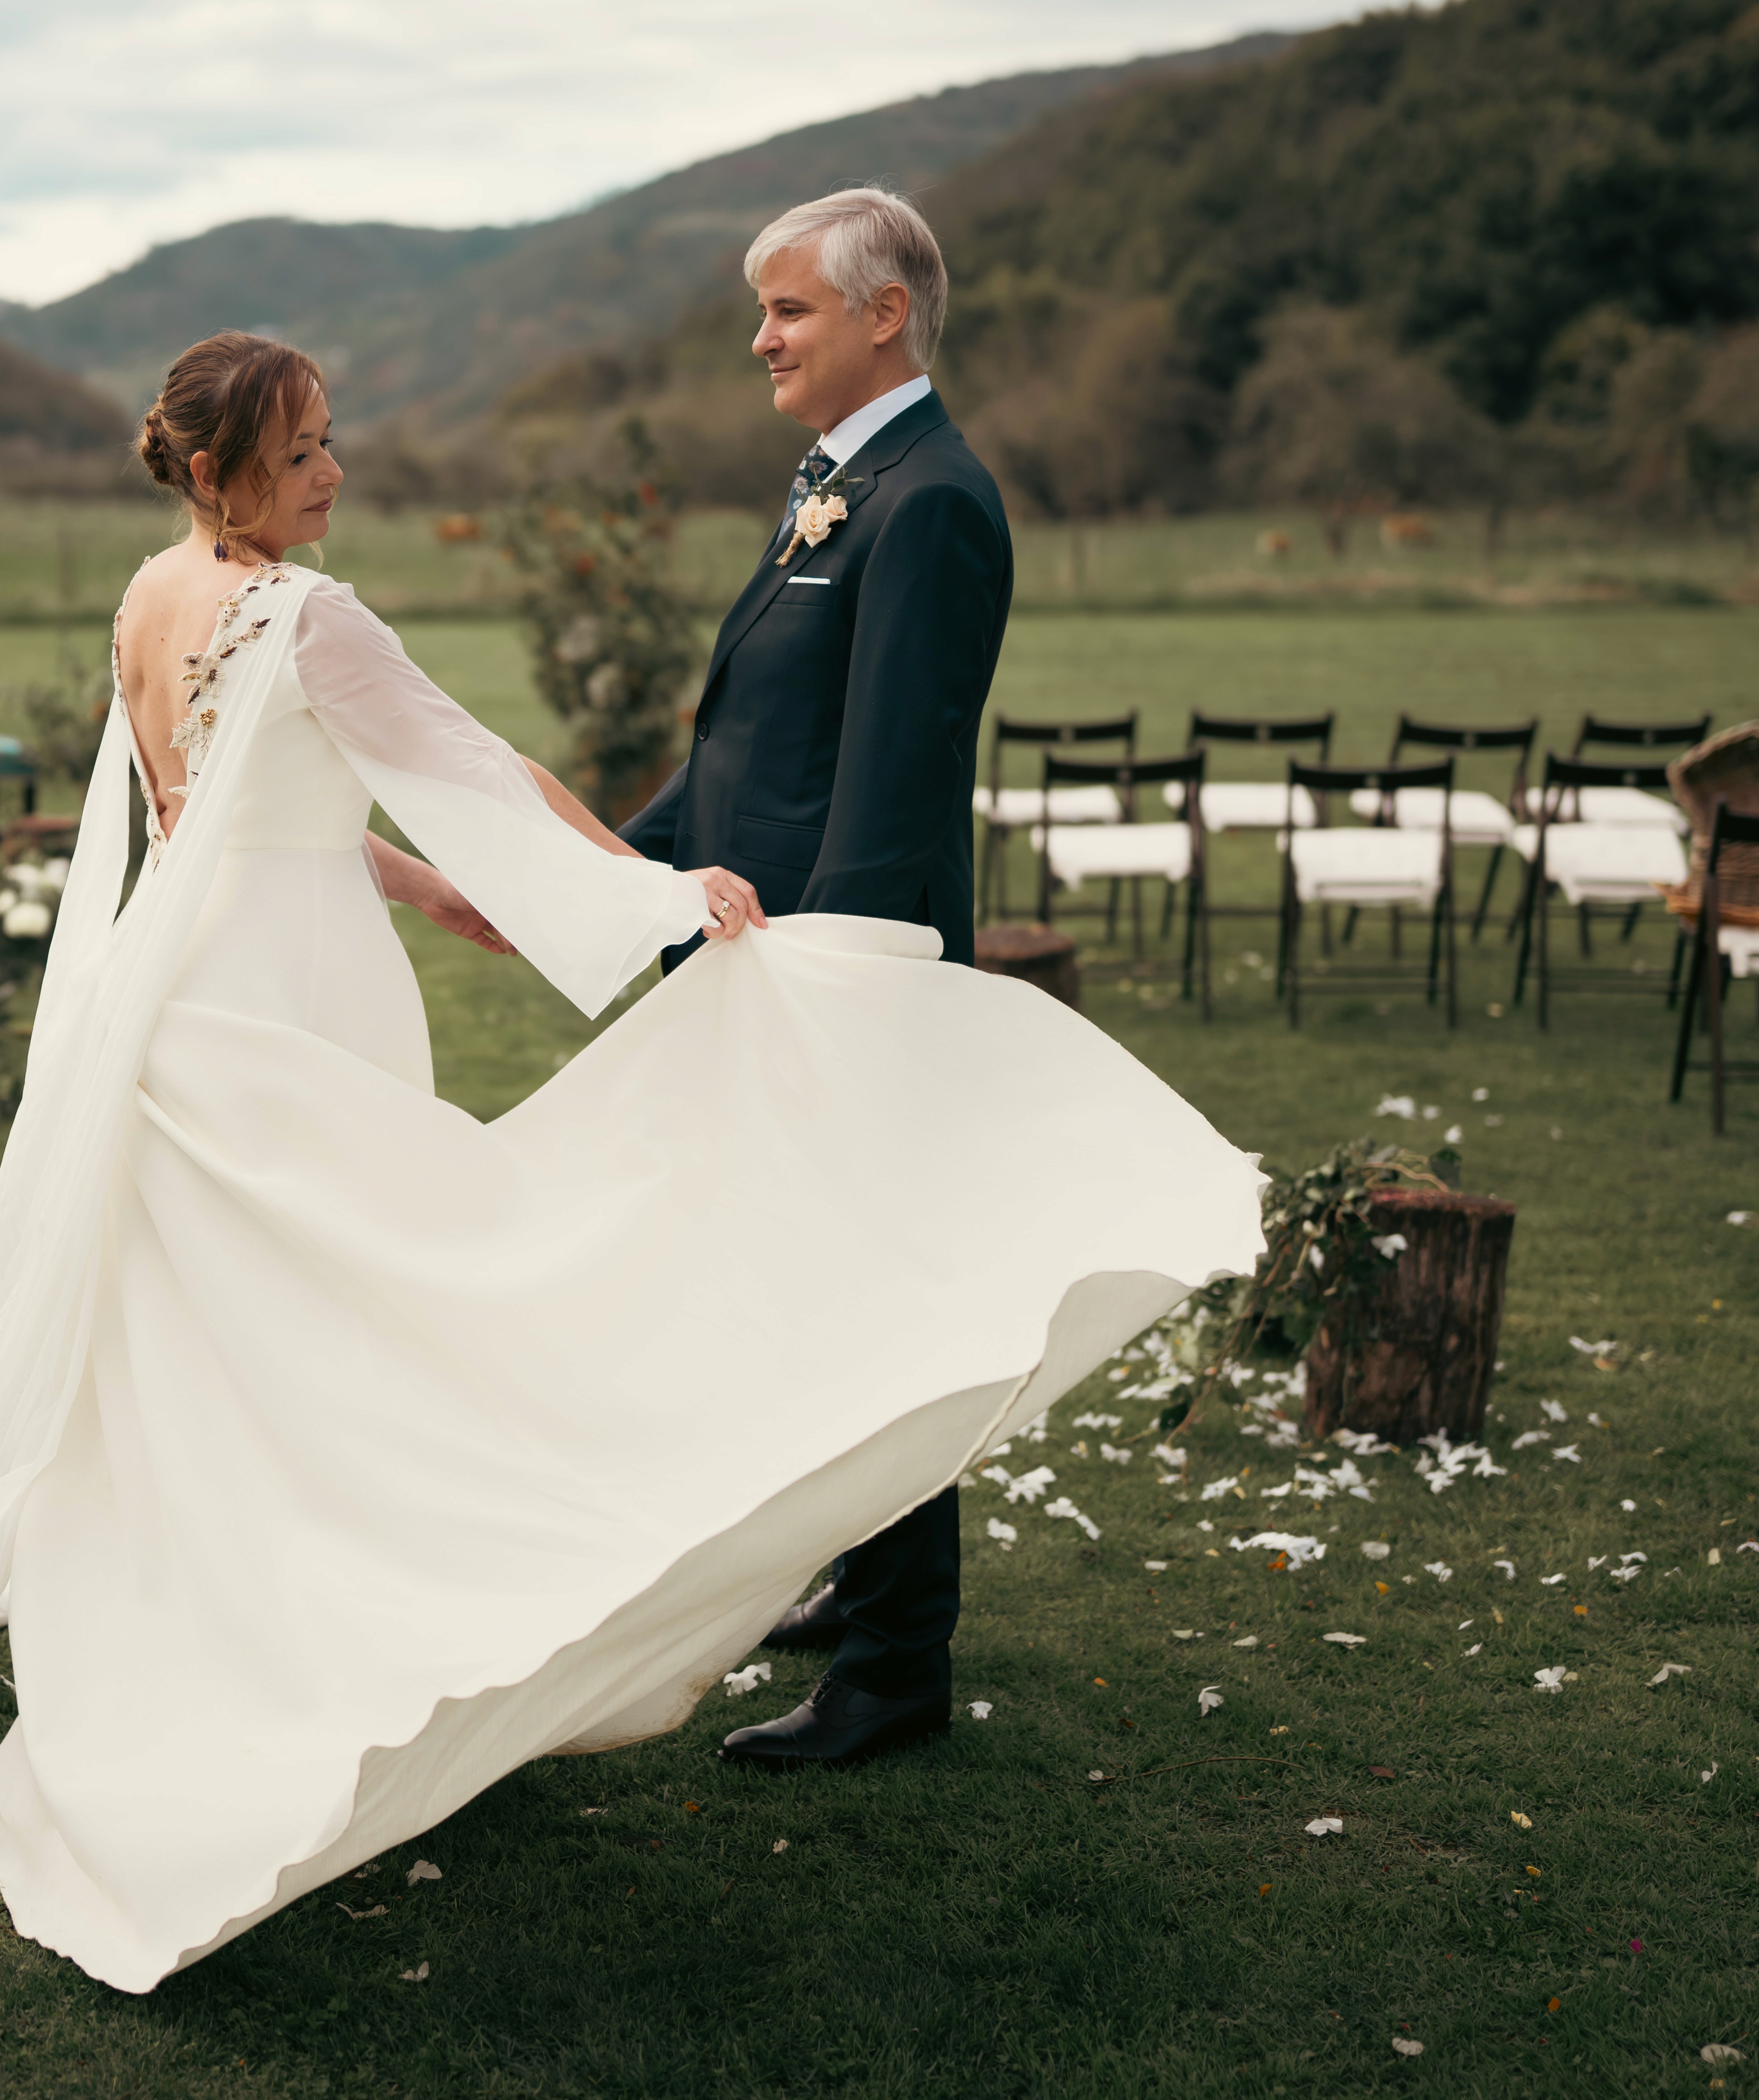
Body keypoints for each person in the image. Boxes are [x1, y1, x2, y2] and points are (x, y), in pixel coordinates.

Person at [0, 325, 1261, 1995]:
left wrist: (419, 887)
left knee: (219, 1356)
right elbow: (480, 768)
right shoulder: (307, 612)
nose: (335, 471)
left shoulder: (149, 600)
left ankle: (234, 1629)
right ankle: (354, 1639)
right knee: (370, 1317)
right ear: (226, 470)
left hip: (179, 1015)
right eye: (303, 449)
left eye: (329, 441)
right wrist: (656, 890)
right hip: (294, 1018)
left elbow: (218, 817)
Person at [619, 187, 1009, 1771]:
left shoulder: (929, 504)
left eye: (786, 308)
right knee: (804, 1295)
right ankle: (855, 1579)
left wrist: (826, 990)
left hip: (846, 976)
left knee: (870, 1312)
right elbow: (749, 752)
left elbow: (887, 787)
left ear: (882, 314)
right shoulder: (831, 485)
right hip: (761, 954)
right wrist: (610, 875)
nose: (759, 336)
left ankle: (897, 1666)